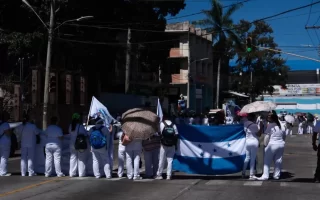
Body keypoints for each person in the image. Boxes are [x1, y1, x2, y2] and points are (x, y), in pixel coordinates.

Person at [257, 112, 286, 181]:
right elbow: (284, 135)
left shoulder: (271, 125)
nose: (268, 118)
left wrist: (265, 145)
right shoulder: (282, 125)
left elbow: (267, 136)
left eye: (269, 117)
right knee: (278, 161)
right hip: (281, 144)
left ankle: (265, 176)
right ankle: (276, 175)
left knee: (267, 161)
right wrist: (282, 141)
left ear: (272, 118)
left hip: (272, 144)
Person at [156, 115, 179, 180]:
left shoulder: (162, 124)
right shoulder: (173, 125)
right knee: (170, 160)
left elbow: (158, 133)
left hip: (163, 145)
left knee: (161, 160)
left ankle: (159, 174)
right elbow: (177, 135)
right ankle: (169, 175)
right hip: (172, 145)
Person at [242, 113, 262, 180]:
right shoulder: (255, 125)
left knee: (247, 158)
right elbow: (259, 134)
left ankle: (243, 173)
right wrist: (261, 127)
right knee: (253, 159)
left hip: (247, 142)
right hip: (254, 142)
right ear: (254, 118)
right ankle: (251, 174)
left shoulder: (245, 123)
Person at [68, 113, 88, 177]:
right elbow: (85, 134)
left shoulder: (71, 126)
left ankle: (72, 173)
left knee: (72, 158)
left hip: (72, 144)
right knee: (81, 158)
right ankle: (81, 173)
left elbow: (70, 133)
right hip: (79, 144)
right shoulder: (80, 126)